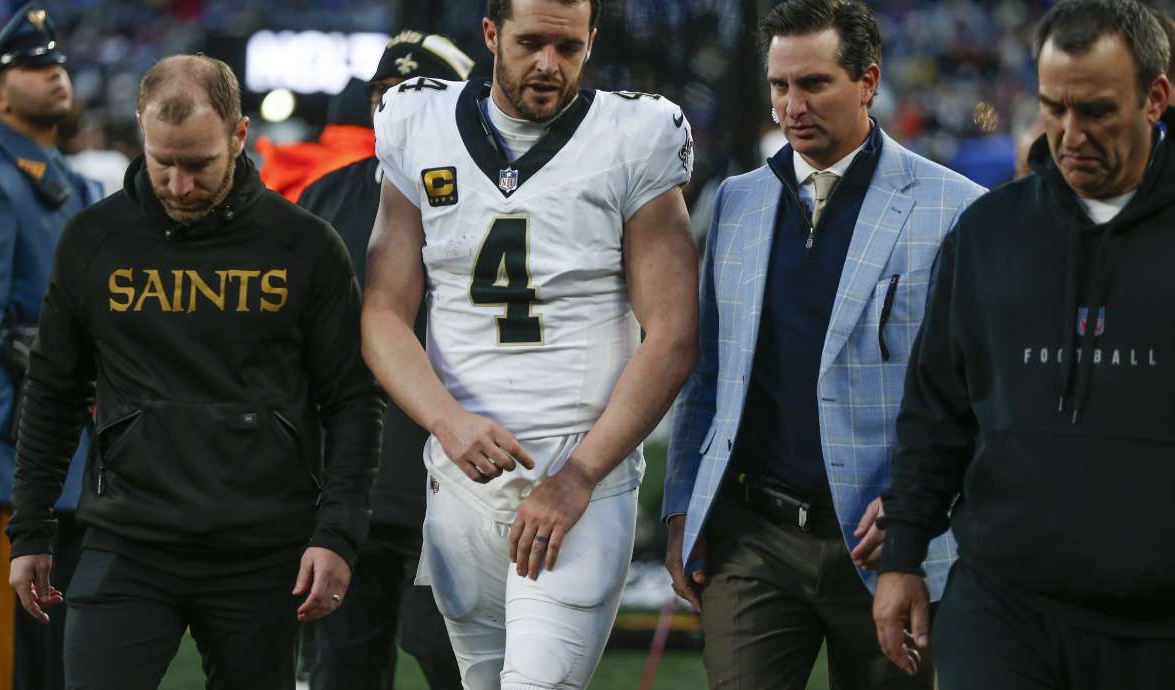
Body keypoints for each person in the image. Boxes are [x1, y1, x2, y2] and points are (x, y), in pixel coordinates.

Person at [3, 54, 385, 690]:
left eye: (199, 164)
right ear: (141, 132)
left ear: (239, 136)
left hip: (262, 553)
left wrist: (339, 534)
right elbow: (54, 390)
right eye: (163, 163)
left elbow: (351, 400)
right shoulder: (94, 241)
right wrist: (31, 529)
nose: (178, 186)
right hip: (126, 542)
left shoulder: (306, 246)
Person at [361, 0, 699, 686]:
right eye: (531, 42)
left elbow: (672, 333)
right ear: (491, 34)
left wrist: (580, 475)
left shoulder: (635, 133)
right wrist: (446, 420)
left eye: (569, 48)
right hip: (460, 476)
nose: (549, 64)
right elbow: (382, 312)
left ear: (591, 43)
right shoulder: (416, 122)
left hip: (579, 475)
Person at [662, 1, 985, 688]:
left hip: (890, 542)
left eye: (814, 84)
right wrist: (683, 506)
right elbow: (709, 373)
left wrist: (919, 502)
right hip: (753, 535)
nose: (792, 105)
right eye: (780, 86)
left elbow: (979, 391)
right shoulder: (738, 202)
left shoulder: (954, 210)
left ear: (868, 81)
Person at [874, 1, 1175, 687]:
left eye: (1096, 111)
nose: (1070, 135)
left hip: (1159, 622)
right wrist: (901, 557)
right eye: (1053, 108)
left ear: (1156, 97)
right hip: (1002, 604)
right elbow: (934, 414)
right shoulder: (988, 235)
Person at [297, 30, 472, 690]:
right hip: (349, 479)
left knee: (456, 658)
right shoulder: (324, 198)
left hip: (456, 471)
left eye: (412, 95)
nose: (392, 108)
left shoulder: (492, 197)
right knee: (341, 667)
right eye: (380, 95)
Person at [0, 5, 103, 689]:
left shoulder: (58, 178)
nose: (56, 73)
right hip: (21, 455)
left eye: (58, 62)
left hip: (70, 452)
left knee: (59, 653)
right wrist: (8, 435)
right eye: (36, 66)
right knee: (12, 658)